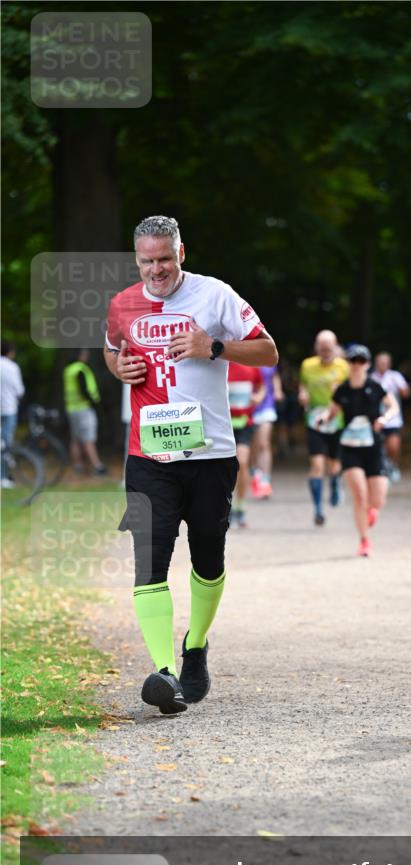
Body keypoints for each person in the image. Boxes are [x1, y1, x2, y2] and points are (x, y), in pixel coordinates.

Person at [103, 215, 278, 715]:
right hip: (148, 456)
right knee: (149, 560)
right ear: (136, 259)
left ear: (182, 253)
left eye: (163, 258)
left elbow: (269, 351)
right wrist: (121, 368)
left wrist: (214, 347)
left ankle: (195, 646)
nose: (155, 269)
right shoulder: (122, 305)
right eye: (146, 260)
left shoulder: (216, 295)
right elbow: (112, 350)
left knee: (208, 557)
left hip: (211, 456)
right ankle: (164, 674)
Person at [317, 344, 399, 557]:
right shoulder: (342, 389)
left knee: (377, 499)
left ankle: (373, 511)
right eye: (353, 361)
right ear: (348, 364)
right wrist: (323, 418)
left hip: (373, 447)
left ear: (368, 365)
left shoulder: (375, 386)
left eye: (361, 361)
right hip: (350, 447)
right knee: (360, 496)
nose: (357, 365)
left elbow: (393, 406)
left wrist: (385, 418)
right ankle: (364, 541)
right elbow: (332, 411)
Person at [298, 330, 349, 525]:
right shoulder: (307, 365)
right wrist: (303, 395)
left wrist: (342, 395)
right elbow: (303, 385)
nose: (326, 351)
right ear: (317, 347)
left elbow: (352, 391)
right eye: (322, 348)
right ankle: (318, 508)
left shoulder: (344, 367)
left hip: (338, 420)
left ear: (335, 347)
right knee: (317, 466)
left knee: (334, 463)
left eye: (329, 348)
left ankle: (336, 482)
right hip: (315, 420)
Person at [228, 360, 265, 526]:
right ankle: (226, 506)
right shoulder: (219, 364)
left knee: (242, 462)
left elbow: (262, 386)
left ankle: (240, 507)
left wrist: (258, 397)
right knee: (224, 467)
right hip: (223, 423)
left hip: (244, 422)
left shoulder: (251, 365)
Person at [63, 348, 107, 475]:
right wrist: (94, 402)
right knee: (89, 438)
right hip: (84, 408)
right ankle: (97, 466)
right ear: (81, 355)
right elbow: (84, 389)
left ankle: (78, 465)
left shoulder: (68, 369)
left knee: (75, 438)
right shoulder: (81, 369)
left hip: (71, 408)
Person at [371, 351, 410, 482]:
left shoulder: (395, 376)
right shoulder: (371, 378)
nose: (382, 365)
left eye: (385, 362)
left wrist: (402, 388)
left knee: (393, 447)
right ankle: (382, 468)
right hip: (376, 419)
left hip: (393, 419)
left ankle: (393, 465)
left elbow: (406, 393)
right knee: (378, 449)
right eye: (380, 362)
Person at [250, 364, 283, 499]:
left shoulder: (268, 354)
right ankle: (255, 473)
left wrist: (278, 390)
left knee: (264, 443)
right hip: (249, 406)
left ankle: (265, 480)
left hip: (267, 405)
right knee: (253, 446)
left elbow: (274, 375)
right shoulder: (244, 356)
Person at [0, 341, 25, 488]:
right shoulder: (12, 367)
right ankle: (4, 477)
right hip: (9, 409)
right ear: (10, 352)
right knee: (6, 444)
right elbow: (19, 390)